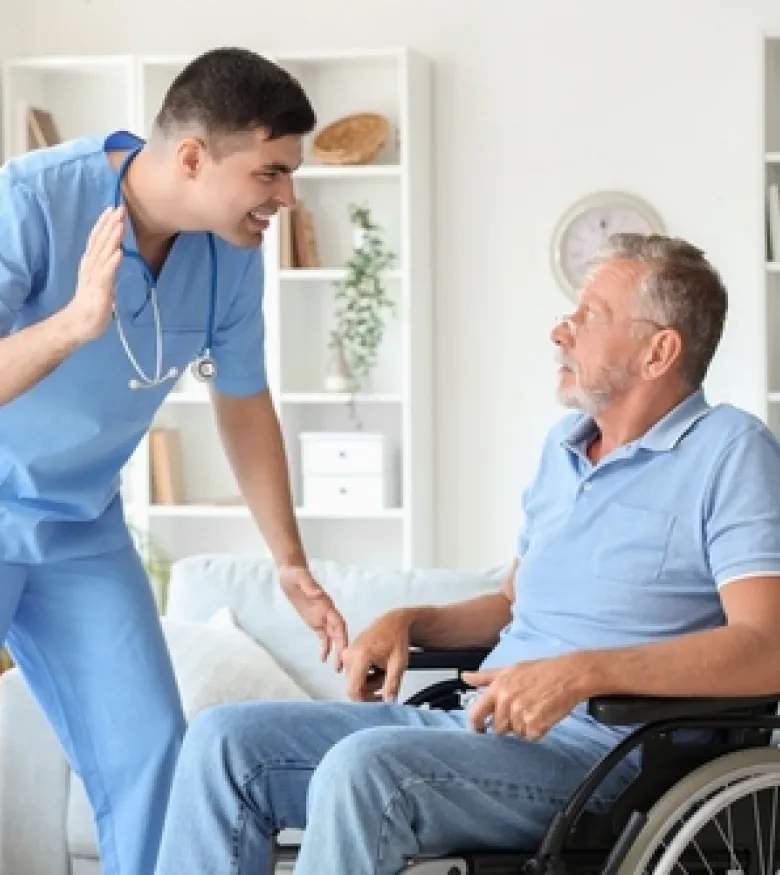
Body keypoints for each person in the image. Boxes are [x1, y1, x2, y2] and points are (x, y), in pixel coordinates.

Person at [152, 232, 780, 875]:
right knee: (223, 741)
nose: (560, 331)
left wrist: (583, 673)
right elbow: (512, 602)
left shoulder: (731, 452)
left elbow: (767, 647)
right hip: (482, 731)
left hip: (610, 759)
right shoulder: (565, 448)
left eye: (590, 316)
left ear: (659, 351)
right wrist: (412, 621)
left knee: (366, 769)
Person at [0, 47, 348, 875]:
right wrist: (71, 326)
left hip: (80, 528)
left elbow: (243, 398)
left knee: (153, 755)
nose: (287, 196)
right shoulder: (31, 201)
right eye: (270, 171)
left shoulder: (229, 250)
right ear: (192, 157)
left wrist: (289, 561)